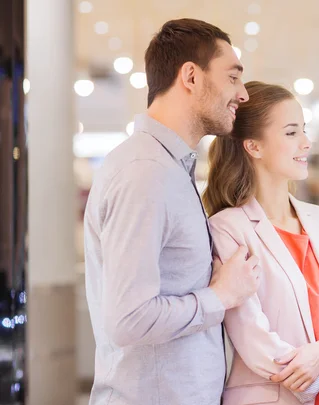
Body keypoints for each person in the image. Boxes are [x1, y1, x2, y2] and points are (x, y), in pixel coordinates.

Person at [84, 19, 260, 405]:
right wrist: (221, 295)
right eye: (232, 77)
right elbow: (129, 319)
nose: (242, 93)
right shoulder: (145, 173)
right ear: (191, 77)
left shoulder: (167, 168)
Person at [203, 81, 319, 405]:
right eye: (292, 133)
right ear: (254, 146)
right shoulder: (228, 228)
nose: (307, 143)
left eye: (304, 131)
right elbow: (255, 342)